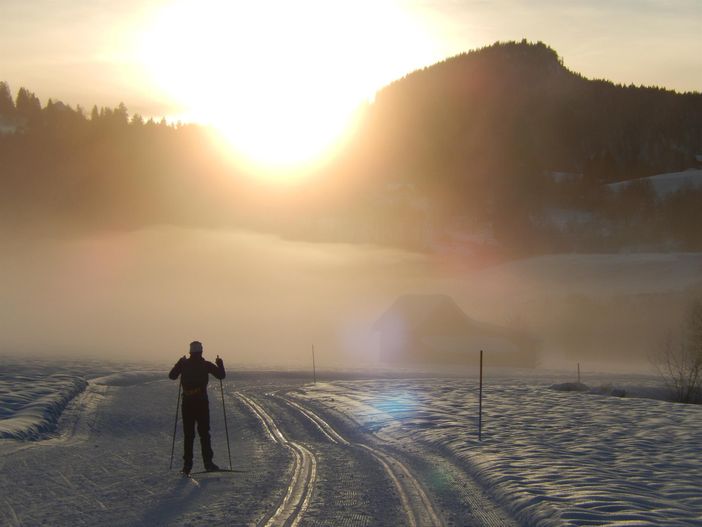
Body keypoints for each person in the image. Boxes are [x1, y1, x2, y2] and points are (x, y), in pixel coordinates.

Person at [169, 341, 226, 475]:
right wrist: (220, 363)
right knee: (204, 434)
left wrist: (179, 363)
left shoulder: (184, 364)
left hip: (187, 404)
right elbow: (221, 376)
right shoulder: (206, 365)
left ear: (190, 352)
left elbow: (172, 376)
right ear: (201, 352)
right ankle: (208, 463)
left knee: (189, 435)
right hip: (201, 403)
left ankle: (187, 466)